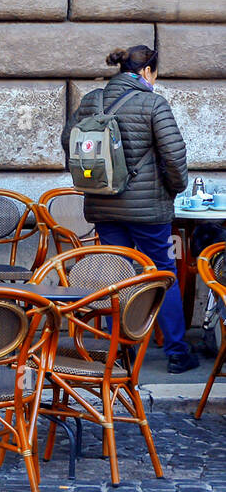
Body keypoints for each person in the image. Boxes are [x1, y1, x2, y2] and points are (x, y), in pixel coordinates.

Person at [61, 45, 196, 372]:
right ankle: (177, 352)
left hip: (103, 205)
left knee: (116, 276)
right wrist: (173, 188)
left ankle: (119, 352)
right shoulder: (152, 103)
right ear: (148, 71)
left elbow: (69, 142)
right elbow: (175, 157)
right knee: (162, 274)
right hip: (148, 211)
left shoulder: (93, 100)